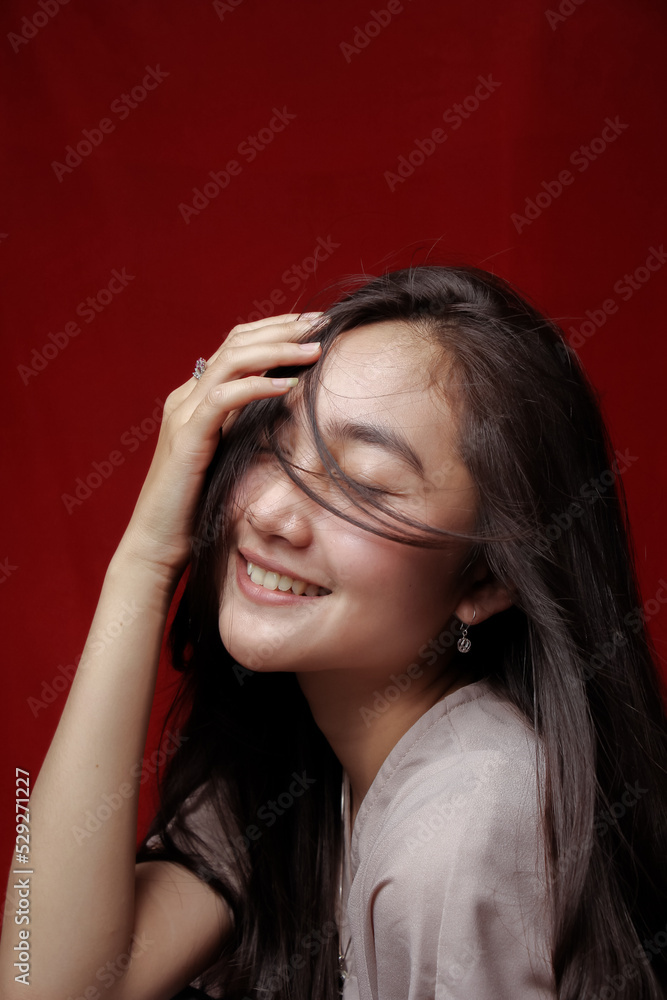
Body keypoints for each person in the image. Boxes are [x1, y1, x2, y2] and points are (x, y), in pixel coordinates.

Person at [1, 265, 666, 1000]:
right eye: (276, 446)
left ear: (484, 580)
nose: (272, 516)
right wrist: (145, 561)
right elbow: (46, 985)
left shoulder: (466, 824)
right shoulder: (302, 758)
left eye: (361, 484)